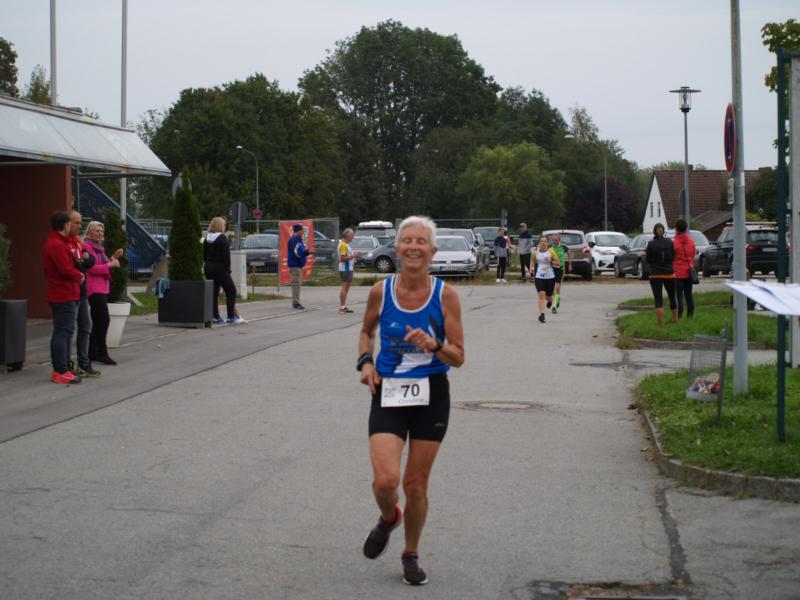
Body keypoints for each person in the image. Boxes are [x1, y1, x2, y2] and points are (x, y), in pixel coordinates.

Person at [358, 216, 465, 586]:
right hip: (388, 390)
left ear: (432, 251)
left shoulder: (445, 296)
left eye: (421, 241)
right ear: (397, 247)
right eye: (407, 240)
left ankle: (410, 553)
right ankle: (390, 517)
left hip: (431, 393)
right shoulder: (380, 291)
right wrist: (366, 362)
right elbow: (365, 332)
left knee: (415, 484)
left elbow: (458, 356)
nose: (414, 247)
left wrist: (434, 345)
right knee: (385, 482)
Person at [43, 211, 85, 384]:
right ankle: (60, 370)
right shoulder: (57, 245)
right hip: (63, 294)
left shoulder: (59, 242)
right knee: (62, 332)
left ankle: (63, 368)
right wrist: (80, 275)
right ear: (66, 224)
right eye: (71, 223)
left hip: (65, 293)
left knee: (64, 332)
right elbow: (65, 269)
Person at [83, 221, 123, 365]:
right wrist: (110, 264)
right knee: (104, 319)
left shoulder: (99, 248)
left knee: (97, 320)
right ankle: (102, 352)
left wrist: (113, 258)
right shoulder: (87, 246)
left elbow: (103, 263)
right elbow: (92, 268)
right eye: (97, 231)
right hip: (93, 287)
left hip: (101, 287)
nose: (100, 233)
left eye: (102, 231)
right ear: (89, 232)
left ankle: (92, 352)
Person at [66, 210, 100, 378]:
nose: (79, 226)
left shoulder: (78, 242)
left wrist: (84, 261)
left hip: (82, 292)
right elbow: (77, 266)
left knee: (86, 326)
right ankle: (66, 363)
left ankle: (84, 363)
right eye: (76, 222)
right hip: (69, 293)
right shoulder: (66, 244)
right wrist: (83, 262)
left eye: (80, 222)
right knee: (69, 329)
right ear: (67, 223)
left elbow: (90, 261)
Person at [203, 217, 244, 325]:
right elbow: (226, 256)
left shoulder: (207, 238)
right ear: (220, 226)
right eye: (224, 225)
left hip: (208, 268)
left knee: (214, 292)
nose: (225, 226)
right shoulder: (222, 238)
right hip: (220, 268)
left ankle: (215, 316)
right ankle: (231, 317)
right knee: (231, 291)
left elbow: (204, 255)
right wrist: (227, 269)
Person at [646, 223, 678, 327]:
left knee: (658, 299)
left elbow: (648, 260)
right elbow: (673, 256)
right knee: (672, 297)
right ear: (664, 231)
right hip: (669, 273)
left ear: (654, 231)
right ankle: (675, 320)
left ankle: (661, 325)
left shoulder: (651, 244)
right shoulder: (669, 242)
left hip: (655, 274)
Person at [672, 219, 696, 319]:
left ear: (676, 229)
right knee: (689, 294)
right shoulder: (691, 241)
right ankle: (690, 316)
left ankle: (679, 316)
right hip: (689, 272)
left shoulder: (674, 242)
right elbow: (693, 255)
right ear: (686, 228)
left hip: (678, 272)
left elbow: (672, 256)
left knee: (679, 296)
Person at [533, 235, 560, 323]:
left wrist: (551, 261)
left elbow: (558, 262)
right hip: (539, 276)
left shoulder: (551, 251)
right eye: (542, 241)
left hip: (550, 277)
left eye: (545, 241)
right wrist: (531, 268)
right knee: (541, 295)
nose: (543, 243)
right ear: (539, 243)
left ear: (548, 243)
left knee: (548, 297)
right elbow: (533, 260)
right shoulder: (536, 251)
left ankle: (550, 301)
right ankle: (542, 314)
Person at [287, 223, 314, 310]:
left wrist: (308, 251)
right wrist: (308, 252)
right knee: (296, 284)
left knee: (297, 284)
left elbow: (301, 252)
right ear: (297, 231)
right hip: (295, 266)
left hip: (298, 265)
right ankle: (296, 303)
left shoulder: (298, 240)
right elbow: (297, 254)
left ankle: (296, 302)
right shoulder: (294, 240)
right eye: (302, 231)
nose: (303, 233)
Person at [338, 228, 361, 313]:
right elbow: (342, 258)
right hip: (346, 268)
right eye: (352, 235)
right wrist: (354, 255)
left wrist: (354, 256)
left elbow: (345, 257)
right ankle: (342, 307)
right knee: (345, 288)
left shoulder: (344, 244)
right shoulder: (343, 245)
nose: (353, 237)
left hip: (347, 268)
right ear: (347, 236)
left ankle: (343, 306)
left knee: (346, 288)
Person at [548, 232, 570, 314]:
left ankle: (554, 306)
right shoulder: (549, 247)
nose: (555, 241)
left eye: (557, 240)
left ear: (559, 240)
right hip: (551, 268)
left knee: (557, 287)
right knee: (551, 287)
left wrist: (570, 264)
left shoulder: (563, 246)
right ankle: (557, 298)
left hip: (560, 268)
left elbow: (569, 253)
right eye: (554, 240)